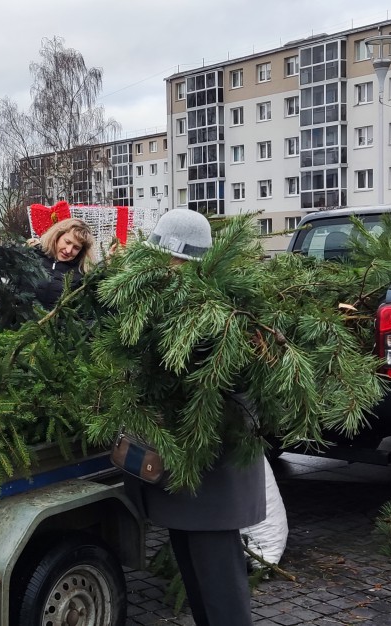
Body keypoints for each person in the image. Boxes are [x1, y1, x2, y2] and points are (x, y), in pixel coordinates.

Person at [129, 209, 266, 626]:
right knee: (194, 570)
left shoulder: (219, 308)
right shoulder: (166, 299)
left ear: (185, 261)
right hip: (182, 463)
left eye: (165, 259)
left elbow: (221, 385)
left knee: (219, 580)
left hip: (210, 463)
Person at [0, 217, 97, 310]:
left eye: (76, 247)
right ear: (57, 236)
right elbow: (4, 254)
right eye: (67, 242)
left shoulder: (83, 275)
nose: (69, 250)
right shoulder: (30, 256)